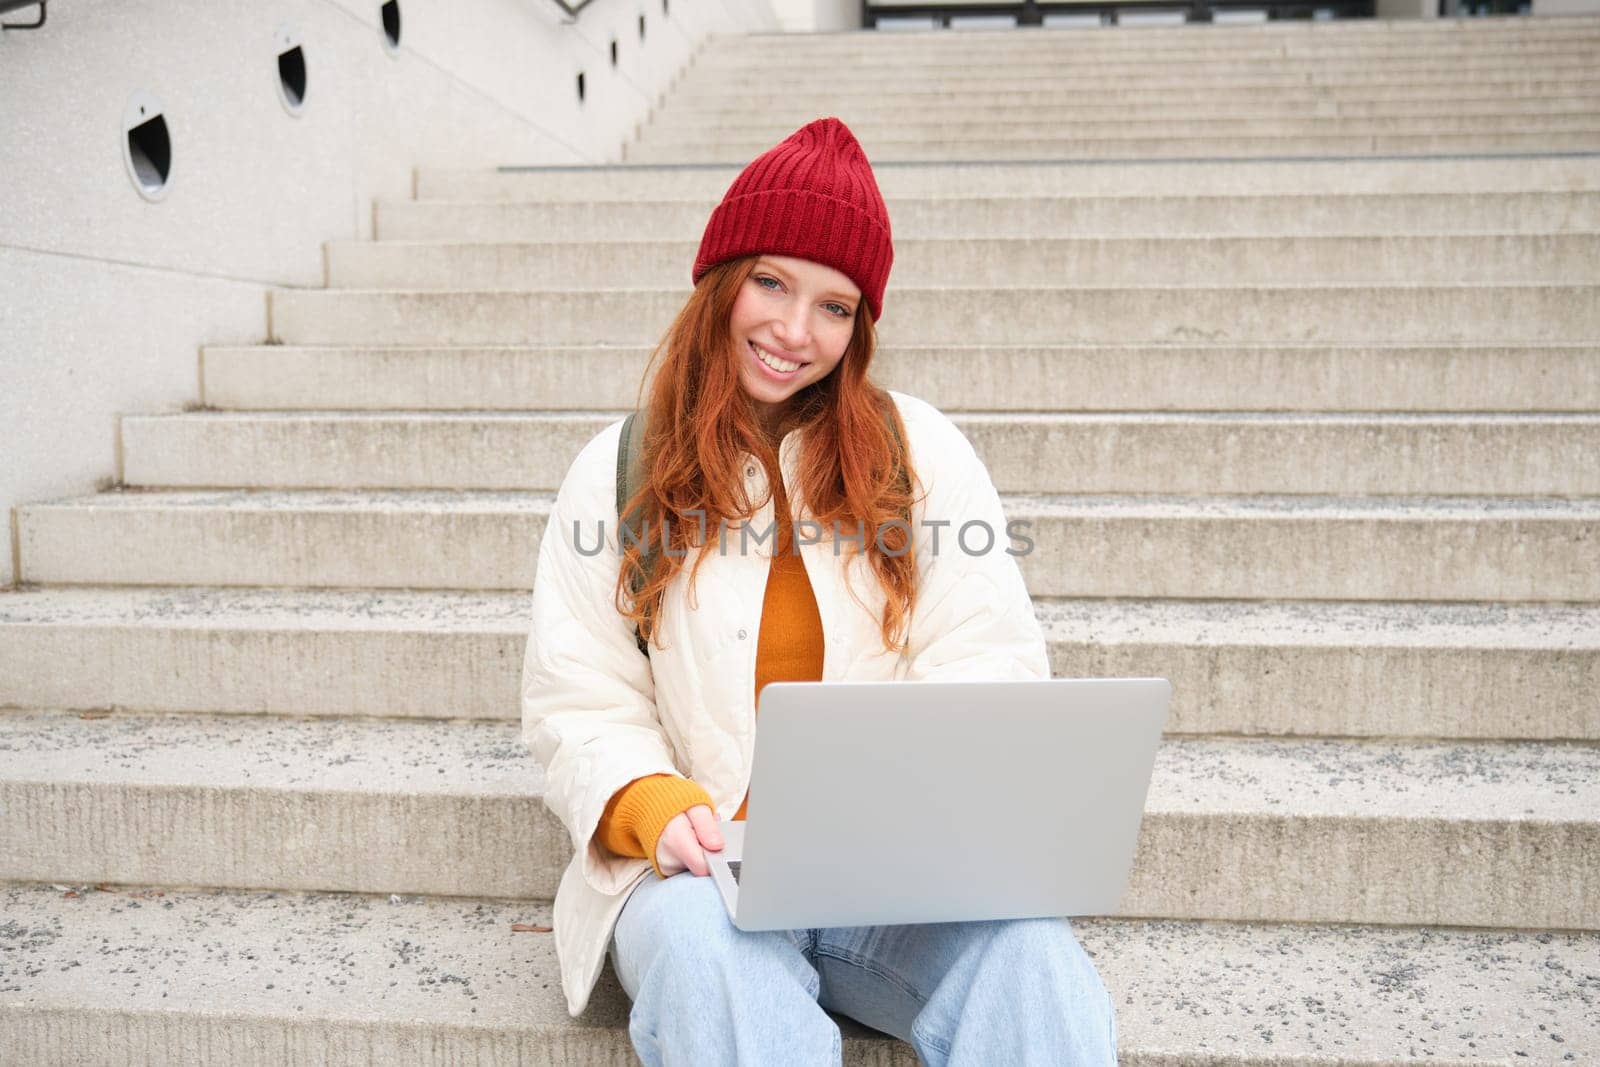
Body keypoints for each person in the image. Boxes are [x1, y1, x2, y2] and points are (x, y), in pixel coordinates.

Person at [521, 117, 1118, 1066]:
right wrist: (649, 801)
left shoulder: (921, 455)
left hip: (883, 883)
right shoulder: (617, 468)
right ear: (721, 279)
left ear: (862, 325)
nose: (796, 332)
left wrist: (907, 809)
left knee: (1032, 954)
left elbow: (986, 659)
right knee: (706, 959)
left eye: (835, 307)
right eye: (771, 283)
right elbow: (578, 695)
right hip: (700, 882)